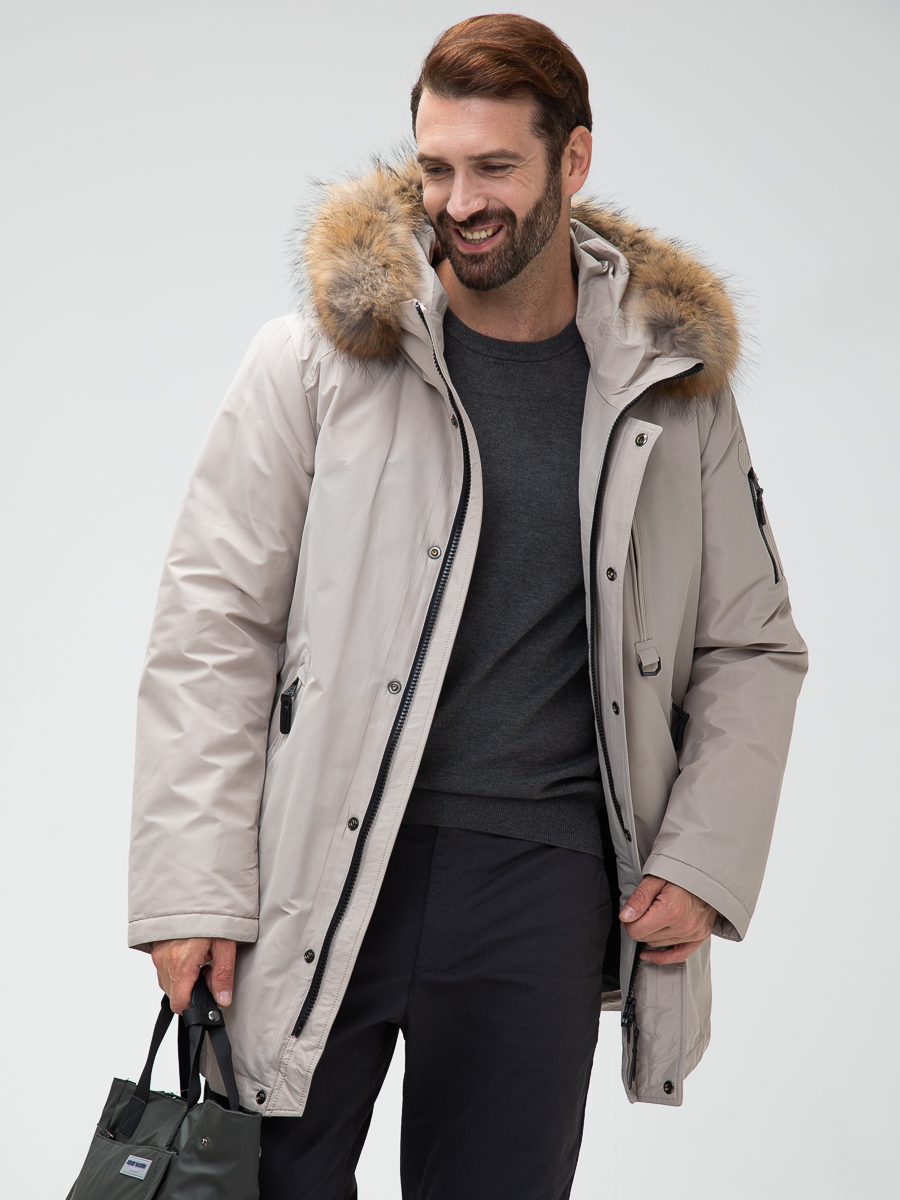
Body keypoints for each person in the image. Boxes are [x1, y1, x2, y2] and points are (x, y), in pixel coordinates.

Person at [129, 14, 807, 1198]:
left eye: (495, 167)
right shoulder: (316, 360)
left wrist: (704, 859)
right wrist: (192, 888)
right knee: (259, 1183)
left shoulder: (671, 392)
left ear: (572, 160)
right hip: (322, 863)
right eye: (437, 166)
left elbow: (751, 643)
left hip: (541, 883)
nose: (460, 201)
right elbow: (212, 627)